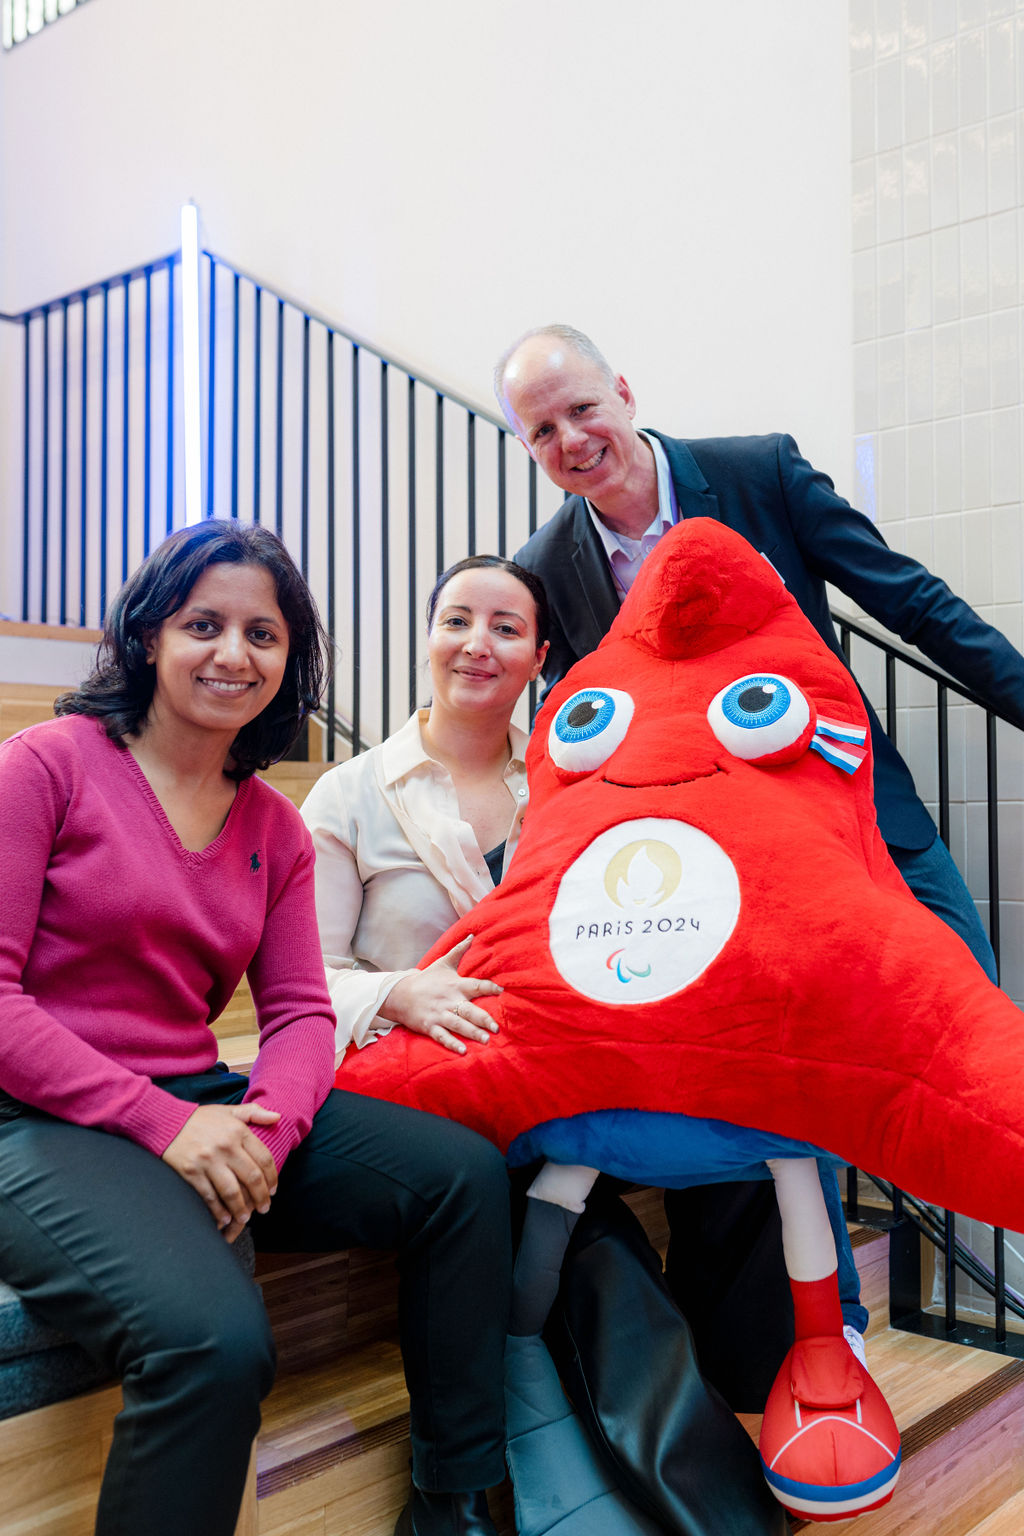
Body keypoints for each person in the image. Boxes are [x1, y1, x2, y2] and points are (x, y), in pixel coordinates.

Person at [491, 319, 1024, 1406]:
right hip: (720, 876)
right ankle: (835, 1334)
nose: (571, 440)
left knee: (965, 1007)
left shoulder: (757, 473)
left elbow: (907, 599)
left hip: (862, 818)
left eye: (582, 409)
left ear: (624, 392)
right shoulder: (546, 569)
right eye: (541, 431)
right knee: (782, 1068)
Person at [0, 520, 511, 1536]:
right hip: (41, 1118)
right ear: (149, 634)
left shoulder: (274, 823)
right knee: (213, 1344)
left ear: (289, 659)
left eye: (262, 634)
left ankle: (454, 1498)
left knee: (462, 1175)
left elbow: (300, 1013)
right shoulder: (46, 765)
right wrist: (167, 1125)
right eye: (204, 625)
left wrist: (265, 1137)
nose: (233, 654)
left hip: (202, 1103)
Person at [299, 554, 548, 1061]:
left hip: (545, 1064)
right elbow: (300, 981)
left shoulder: (562, 787)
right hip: (395, 1073)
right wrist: (398, 994)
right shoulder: (347, 794)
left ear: (538, 659)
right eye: (456, 622)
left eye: (505, 629)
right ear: (430, 636)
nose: (477, 645)